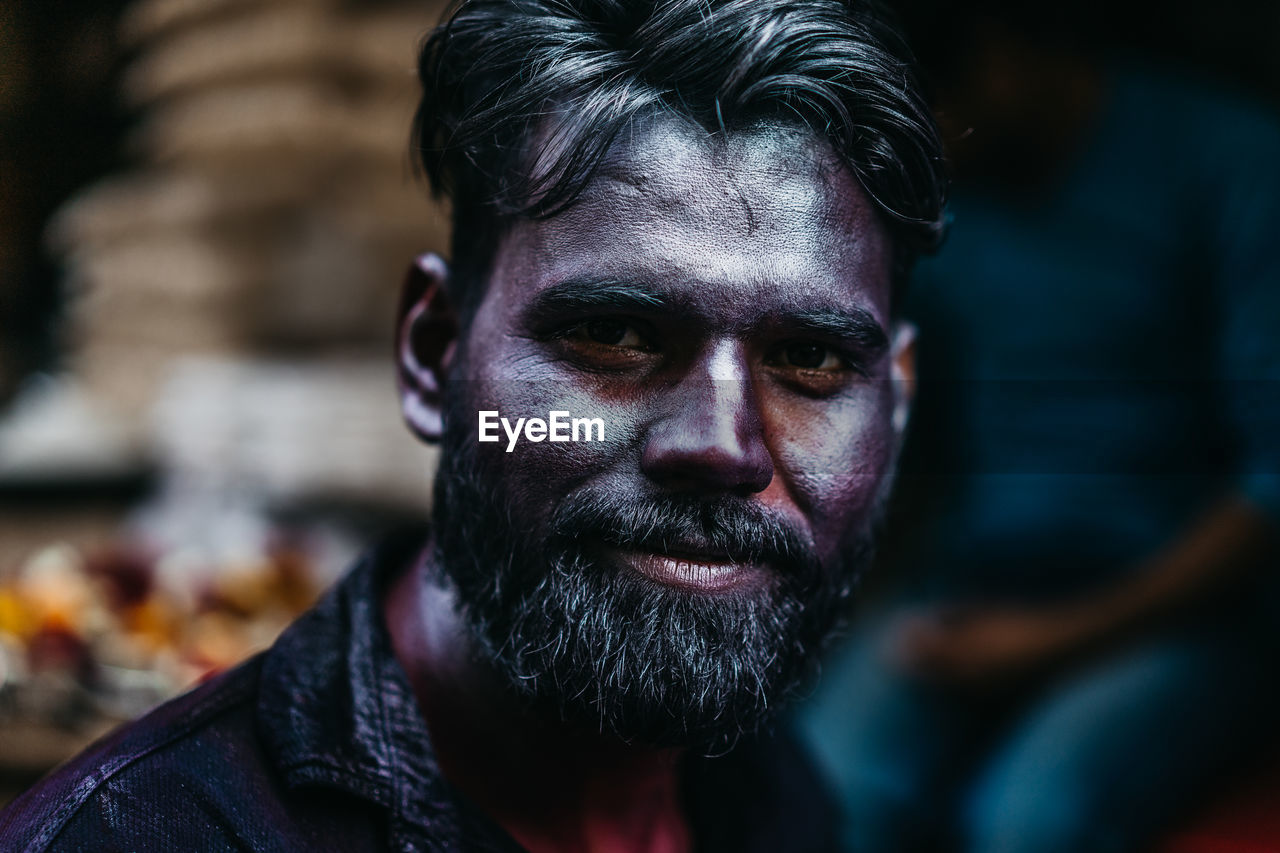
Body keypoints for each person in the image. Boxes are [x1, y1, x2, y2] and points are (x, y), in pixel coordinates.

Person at [0, 0, 947, 850]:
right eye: (613, 334)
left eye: (812, 359)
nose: (721, 445)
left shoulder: (762, 791)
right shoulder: (147, 835)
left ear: (896, 399)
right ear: (434, 352)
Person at [795, 10, 1280, 852]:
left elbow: (1272, 485)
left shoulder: (1237, 167)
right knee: (829, 792)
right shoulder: (945, 195)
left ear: (1010, 52)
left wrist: (1050, 641)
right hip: (982, 579)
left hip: (1187, 606)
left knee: (1029, 822)